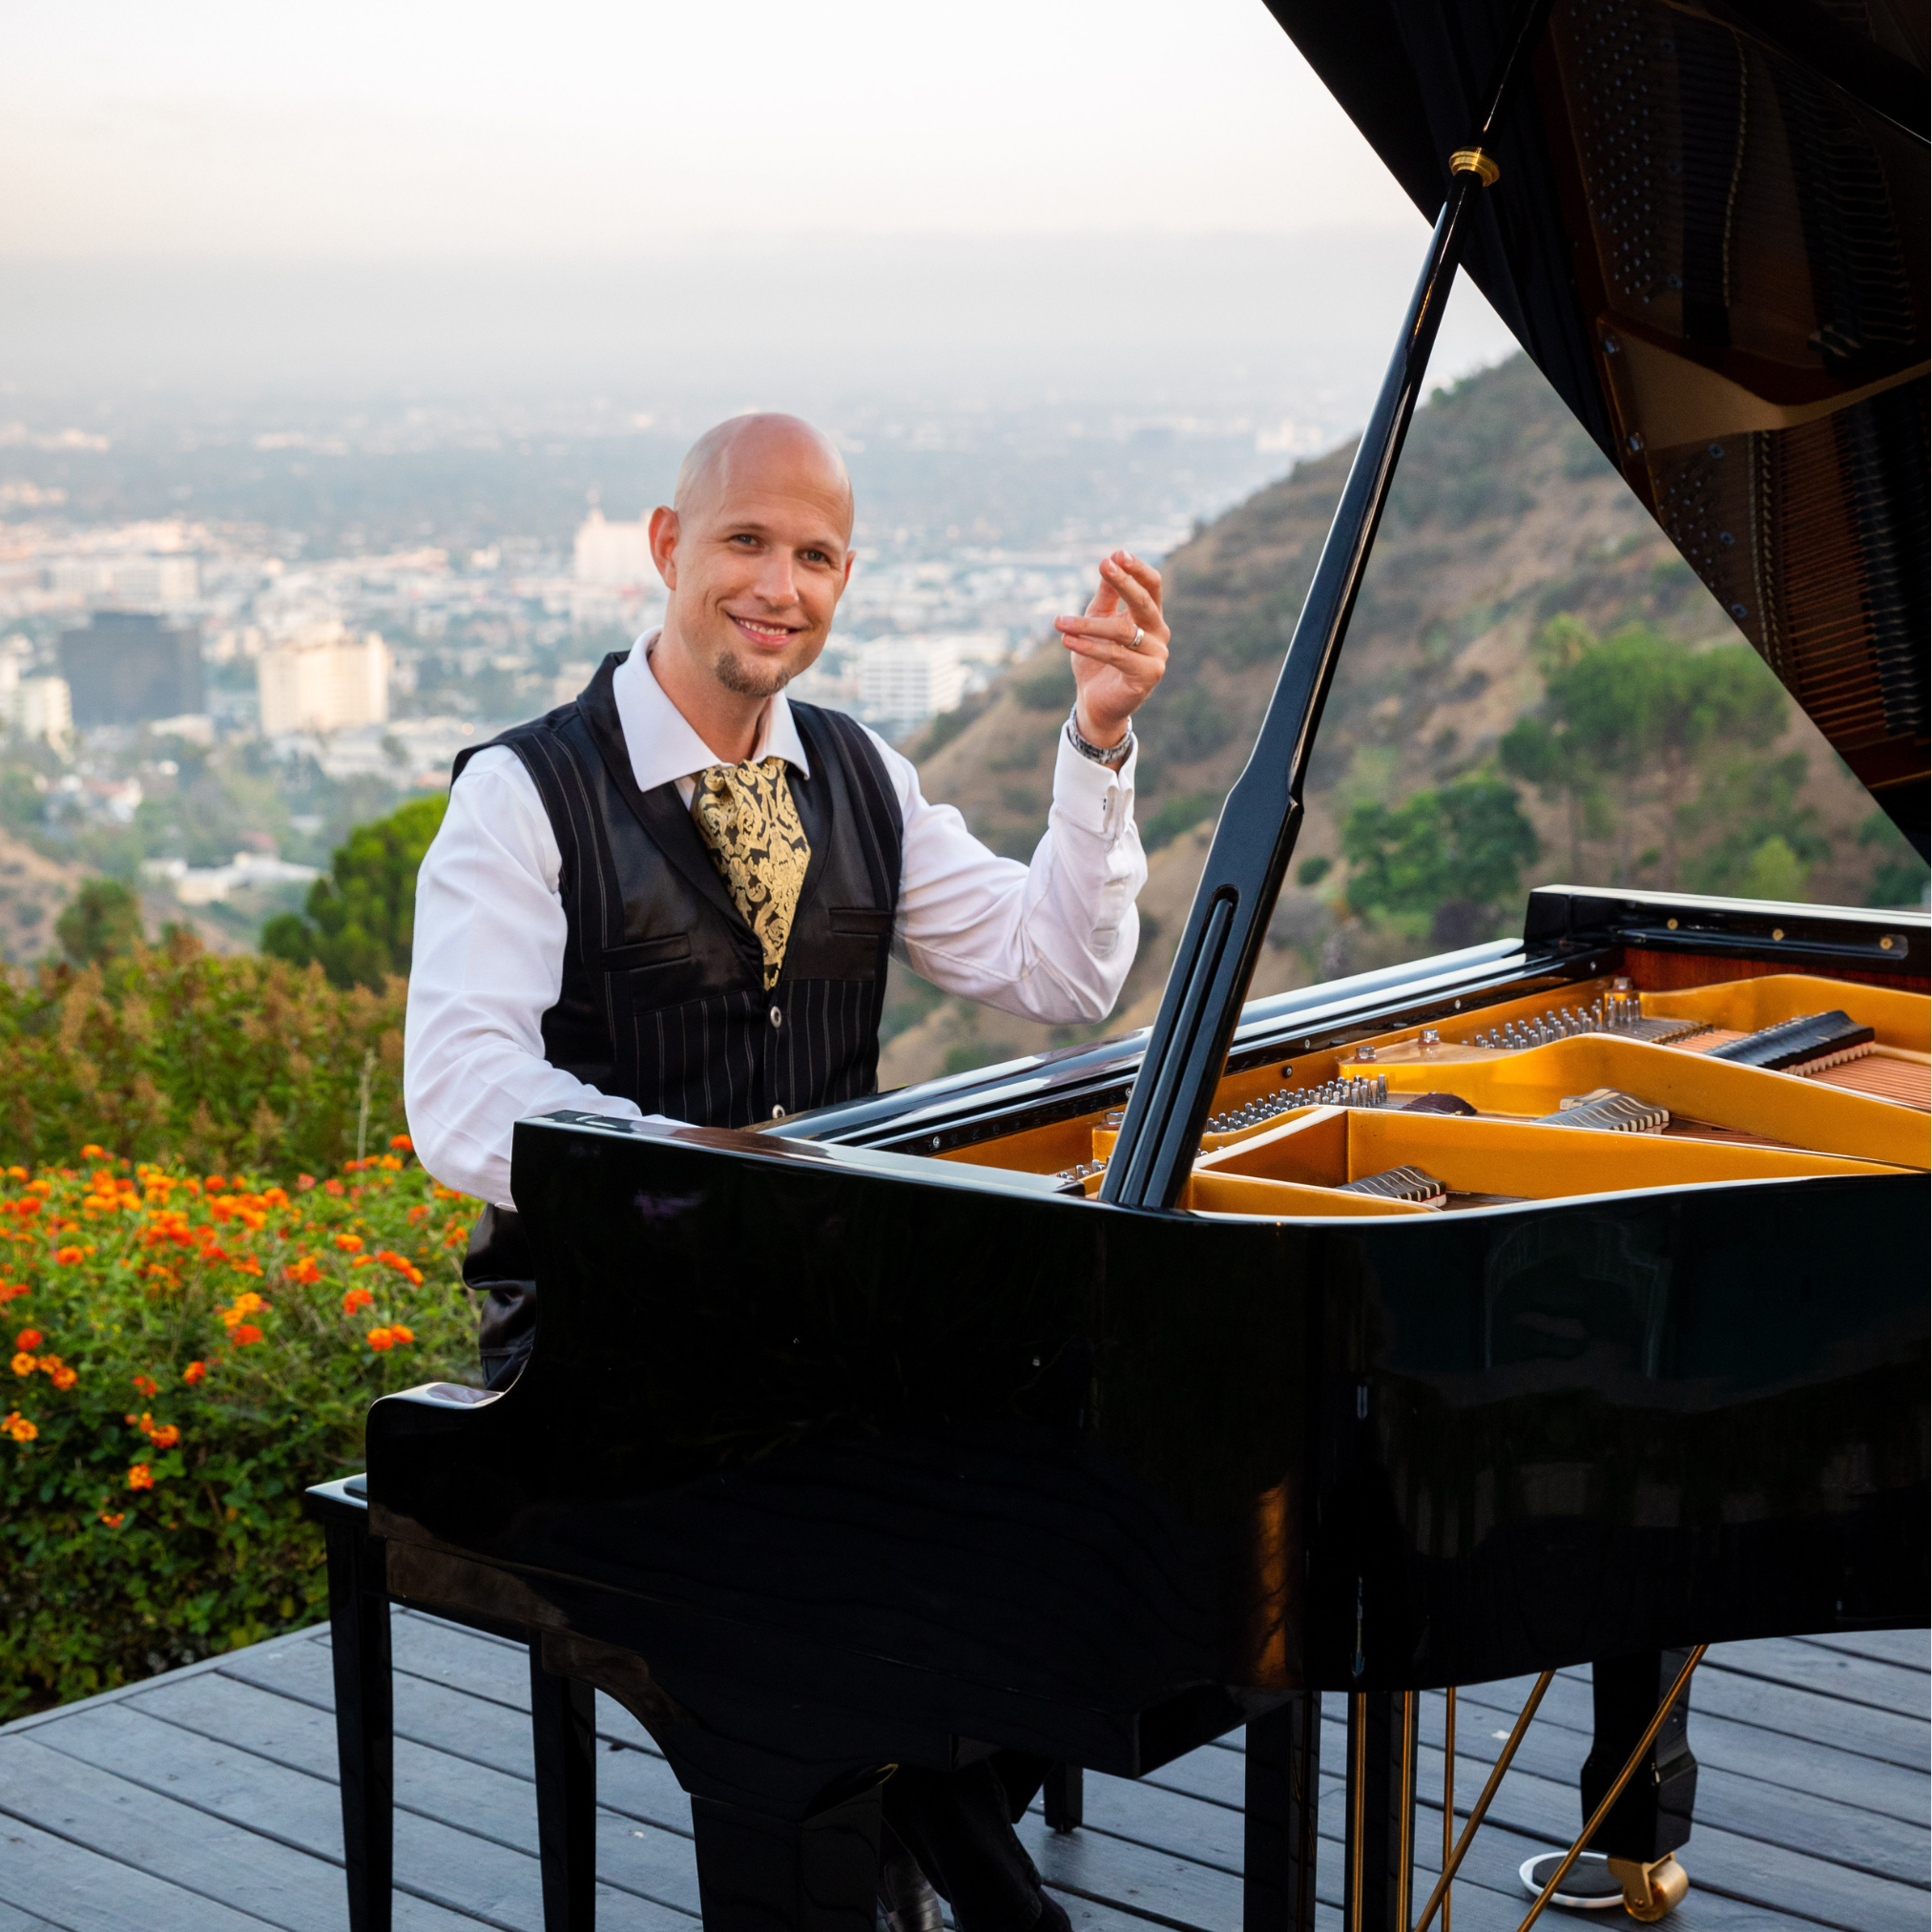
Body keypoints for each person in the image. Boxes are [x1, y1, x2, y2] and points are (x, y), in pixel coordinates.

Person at [403, 411, 1171, 1931]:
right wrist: (701, 1170)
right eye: (748, 541)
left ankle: (883, 1829)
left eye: (816, 555)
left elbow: (1061, 969)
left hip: (830, 1329)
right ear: (668, 546)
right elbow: (461, 1096)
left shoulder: (859, 776)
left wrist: (1095, 747)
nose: (781, 583)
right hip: (605, 1349)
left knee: (1107, 1500)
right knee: (880, 1556)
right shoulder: (526, 794)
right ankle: (923, 1862)